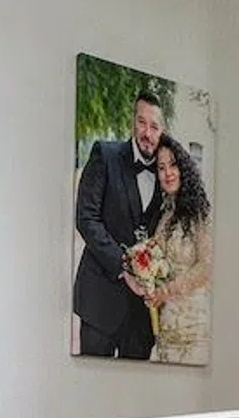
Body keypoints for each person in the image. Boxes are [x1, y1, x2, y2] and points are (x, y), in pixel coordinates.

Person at [72, 90, 164, 359]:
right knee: (90, 381)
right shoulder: (105, 154)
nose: (147, 132)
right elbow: (86, 218)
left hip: (141, 315)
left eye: (154, 126)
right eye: (142, 122)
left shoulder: (167, 174)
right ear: (132, 122)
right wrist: (124, 268)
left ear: (163, 131)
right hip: (100, 300)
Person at [143, 136, 211, 364]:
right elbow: (156, 260)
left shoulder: (199, 213)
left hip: (193, 327)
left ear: (184, 168)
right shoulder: (165, 215)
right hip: (165, 326)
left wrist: (167, 291)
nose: (168, 173)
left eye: (173, 165)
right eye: (161, 168)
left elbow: (207, 267)